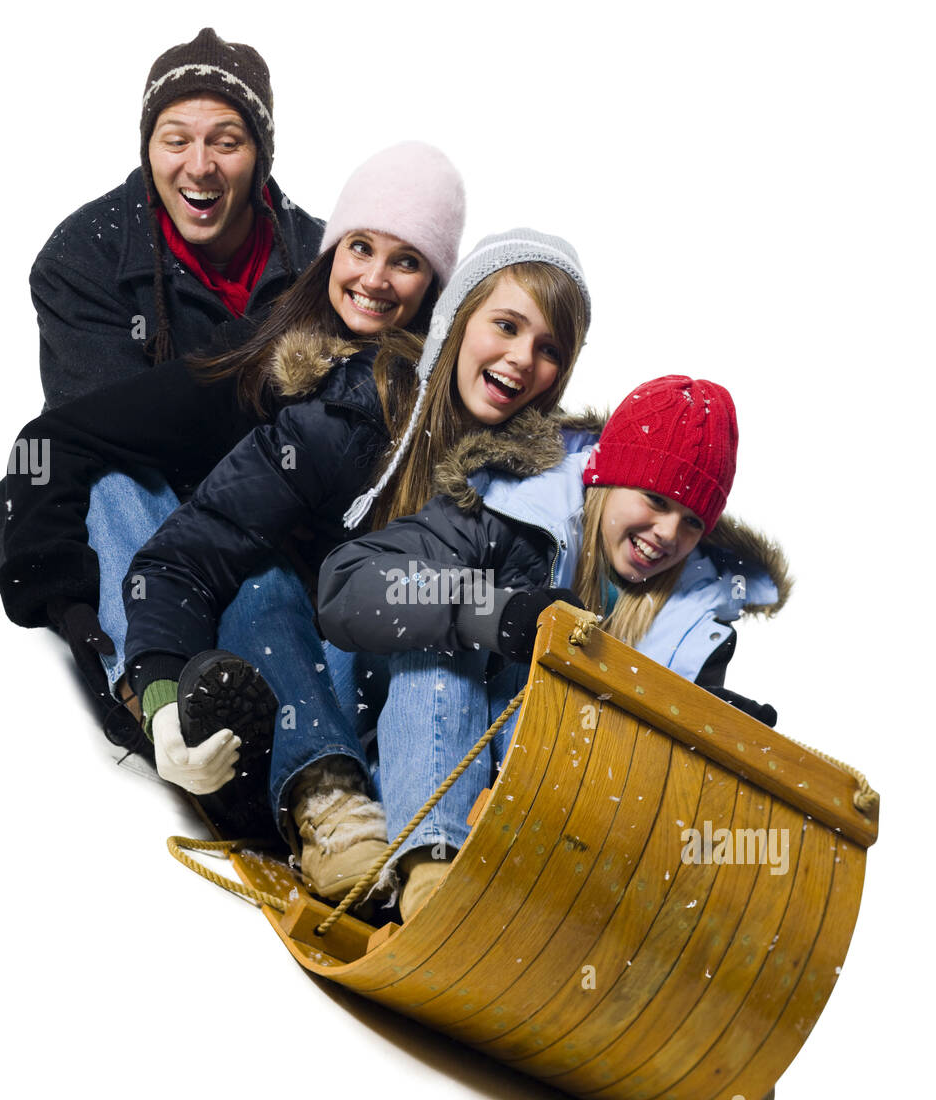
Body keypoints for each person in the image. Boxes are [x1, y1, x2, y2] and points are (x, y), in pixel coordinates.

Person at [120, 230, 592, 901]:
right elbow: (183, 559)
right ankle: (330, 805)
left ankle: (461, 854)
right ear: (458, 320)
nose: (523, 360)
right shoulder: (345, 415)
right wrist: (161, 707)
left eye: (551, 350)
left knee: (454, 632)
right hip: (297, 682)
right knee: (261, 579)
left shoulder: (525, 485)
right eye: (507, 327)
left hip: (422, 735)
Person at [0, 143, 465, 762]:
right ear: (332, 252)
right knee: (121, 484)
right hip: (221, 629)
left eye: (407, 261)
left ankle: (307, 769)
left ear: (434, 286)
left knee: (281, 588)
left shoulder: (447, 396)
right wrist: (70, 607)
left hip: (358, 659)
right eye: (361, 247)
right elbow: (60, 439)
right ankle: (153, 696)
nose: (375, 279)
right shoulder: (259, 360)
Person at [318, 374, 790, 919]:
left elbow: (651, 788)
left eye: (691, 522)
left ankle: (526, 900)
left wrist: (711, 726)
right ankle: (431, 876)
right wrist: (494, 612)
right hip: (410, 748)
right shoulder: (507, 513)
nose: (666, 533)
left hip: (527, 809)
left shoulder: (696, 621)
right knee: (446, 642)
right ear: (607, 478)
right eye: (655, 500)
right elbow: (348, 582)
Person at [33, 27, 325, 409]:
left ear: (261, 158)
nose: (200, 167)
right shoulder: (81, 258)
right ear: (148, 150)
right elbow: (106, 428)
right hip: (132, 462)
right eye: (176, 141)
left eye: (226, 143)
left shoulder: (328, 260)